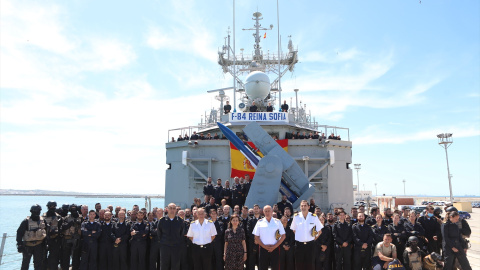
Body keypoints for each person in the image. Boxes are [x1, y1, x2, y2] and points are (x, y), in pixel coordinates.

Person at [290, 200, 323, 270]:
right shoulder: (296, 217)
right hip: (299, 245)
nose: (303, 207)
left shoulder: (313, 217)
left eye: (305, 205)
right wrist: (301, 237)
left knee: (310, 265)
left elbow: (319, 231)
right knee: (299, 265)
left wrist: (314, 239)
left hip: (310, 245)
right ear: (300, 207)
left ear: (308, 207)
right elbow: (294, 230)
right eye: (302, 206)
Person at [252, 205, 286, 270]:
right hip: (263, 249)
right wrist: (264, 246)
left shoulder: (277, 222)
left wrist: (274, 246)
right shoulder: (260, 222)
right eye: (266, 211)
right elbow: (256, 237)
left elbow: (283, 236)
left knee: (276, 267)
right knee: (262, 267)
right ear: (263, 212)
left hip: (275, 248)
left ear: (272, 211)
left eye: (269, 211)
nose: (267, 213)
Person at [16, 204, 47, 270]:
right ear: (31, 211)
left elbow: (46, 231)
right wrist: (19, 244)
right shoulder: (26, 221)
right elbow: (19, 233)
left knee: (38, 264)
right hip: (28, 246)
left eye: (38, 211)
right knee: (25, 264)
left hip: (39, 245)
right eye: (35, 211)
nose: (37, 212)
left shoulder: (43, 221)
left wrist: (46, 242)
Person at [158, 203, 185, 270]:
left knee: (175, 266)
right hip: (165, 247)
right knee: (164, 265)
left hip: (176, 247)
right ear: (167, 209)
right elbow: (159, 233)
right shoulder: (162, 220)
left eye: (174, 208)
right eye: (170, 208)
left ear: (176, 210)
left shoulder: (180, 221)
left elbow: (181, 234)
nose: (172, 210)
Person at [61, 204, 83, 270]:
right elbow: (62, 227)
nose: (73, 211)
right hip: (67, 239)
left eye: (74, 209)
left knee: (76, 257)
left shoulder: (81, 217)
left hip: (77, 239)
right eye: (72, 209)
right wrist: (69, 224)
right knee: (66, 257)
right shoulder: (66, 218)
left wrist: (79, 223)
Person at [43, 201, 62, 270]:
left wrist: (55, 232)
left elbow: (61, 228)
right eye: (51, 206)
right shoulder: (43, 217)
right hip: (45, 240)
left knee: (54, 258)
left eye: (54, 206)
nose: (52, 208)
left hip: (55, 239)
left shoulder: (58, 217)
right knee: (43, 258)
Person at [247, 204, 263, 270]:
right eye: (255, 208)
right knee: (251, 261)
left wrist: (259, 240)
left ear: (259, 209)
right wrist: (255, 239)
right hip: (252, 243)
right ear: (253, 210)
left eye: (257, 208)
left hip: (261, 243)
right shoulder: (250, 220)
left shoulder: (263, 220)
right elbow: (249, 231)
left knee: (261, 261)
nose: (256, 210)